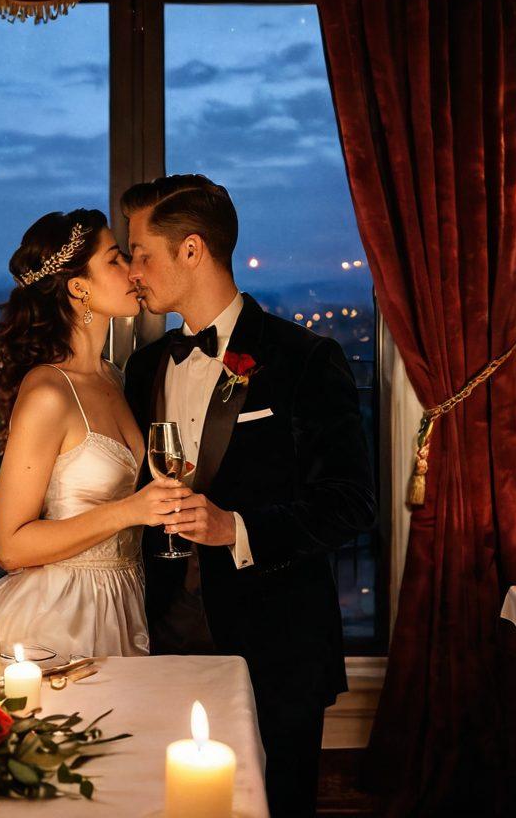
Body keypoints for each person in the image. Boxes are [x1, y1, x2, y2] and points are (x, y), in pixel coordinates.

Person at [122, 175, 378, 816]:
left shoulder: (306, 358)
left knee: (278, 803)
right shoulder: (146, 366)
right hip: (163, 636)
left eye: (142, 252)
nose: (133, 271)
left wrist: (236, 529)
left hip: (276, 639)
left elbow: (351, 501)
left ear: (191, 250)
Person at [0, 209, 189, 658]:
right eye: (115, 259)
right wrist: (131, 511)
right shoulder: (48, 392)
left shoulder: (114, 377)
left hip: (122, 600)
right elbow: (10, 547)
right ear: (78, 287)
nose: (132, 269)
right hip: (62, 615)